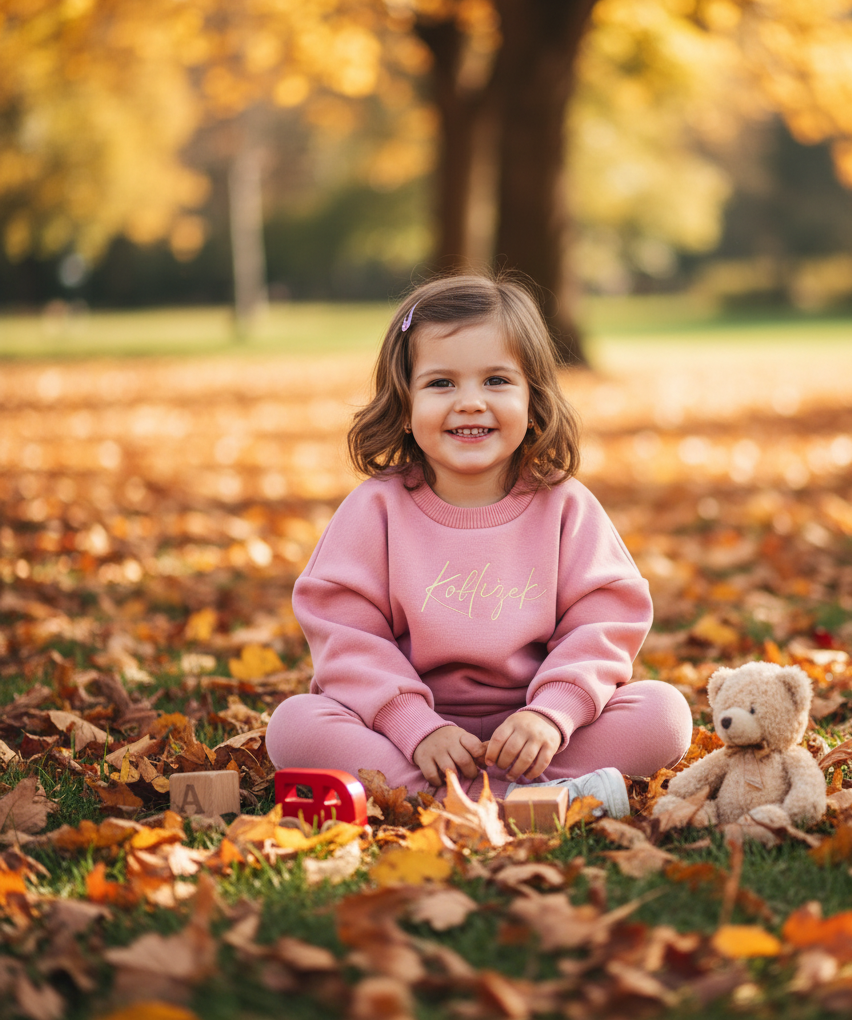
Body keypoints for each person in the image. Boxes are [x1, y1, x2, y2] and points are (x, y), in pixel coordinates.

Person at [265, 273, 692, 817]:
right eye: (441, 383)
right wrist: (416, 727)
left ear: (533, 399)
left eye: (496, 380)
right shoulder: (374, 509)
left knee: (664, 712)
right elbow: (346, 635)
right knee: (295, 724)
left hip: (535, 733)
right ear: (404, 404)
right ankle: (514, 801)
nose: (470, 403)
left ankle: (473, 798)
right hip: (407, 735)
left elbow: (603, 623)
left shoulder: (565, 505)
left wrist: (551, 714)